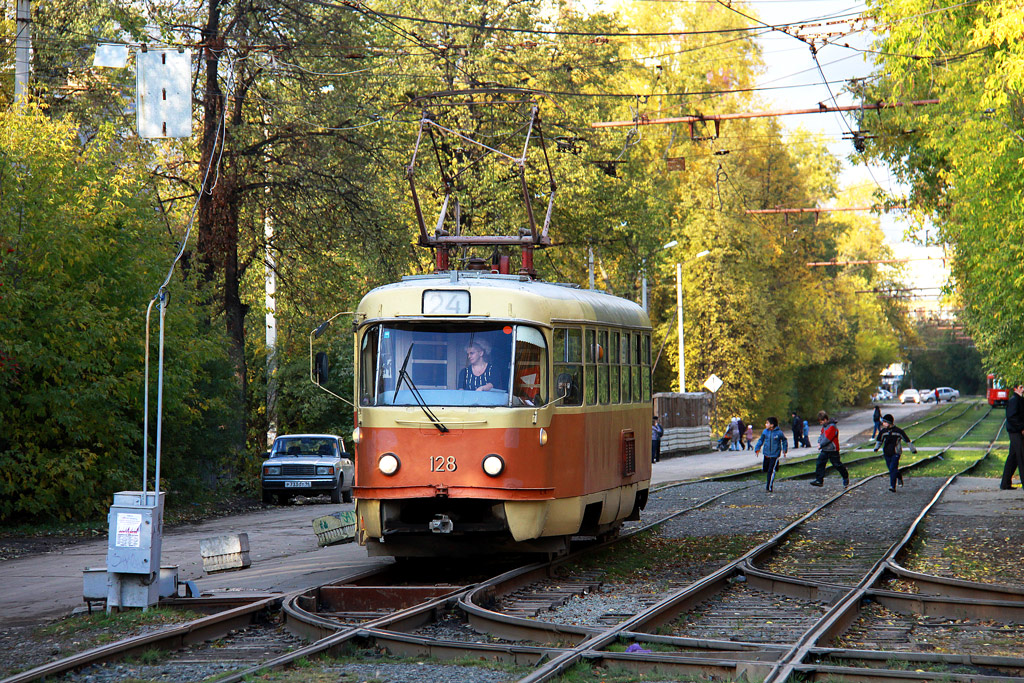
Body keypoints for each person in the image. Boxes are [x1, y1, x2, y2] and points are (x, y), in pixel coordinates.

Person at [874, 413, 917, 492]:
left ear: (889, 423)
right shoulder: (883, 432)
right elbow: (879, 441)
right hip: (887, 453)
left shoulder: (898, 431)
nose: (883, 423)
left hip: (896, 453)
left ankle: (892, 486)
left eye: (884, 422)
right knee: (891, 469)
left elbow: (907, 440)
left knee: (893, 468)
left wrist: (912, 449)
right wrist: (876, 448)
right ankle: (899, 476)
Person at [809, 410, 849, 487]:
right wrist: (819, 442)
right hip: (825, 449)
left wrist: (820, 445)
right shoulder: (824, 427)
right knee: (820, 463)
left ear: (825, 420)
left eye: (821, 422)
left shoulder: (832, 427)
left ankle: (845, 476)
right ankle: (819, 480)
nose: (820, 424)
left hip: (833, 450)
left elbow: (828, 438)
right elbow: (821, 436)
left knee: (837, 464)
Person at [1000, 383, 1024, 490]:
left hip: (1017, 431)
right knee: (1021, 456)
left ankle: (1005, 483)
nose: (1023, 389)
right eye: (1021, 387)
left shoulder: (1018, 400)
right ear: (1015, 389)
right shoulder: (1014, 400)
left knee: (1013, 457)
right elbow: (1012, 417)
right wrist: (1022, 427)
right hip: (1016, 432)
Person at [754, 416, 788, 492]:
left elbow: (784, 441)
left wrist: (784, 450)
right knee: (765, 469)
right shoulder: (765, 432)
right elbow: (760, 440)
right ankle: (775, 468)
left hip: (774, 455)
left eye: (767, 423)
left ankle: (769, 487)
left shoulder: (779, 433)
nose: (765, 424)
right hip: (766, 454)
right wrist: (757, 448)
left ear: (772, 425)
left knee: (771, 471)